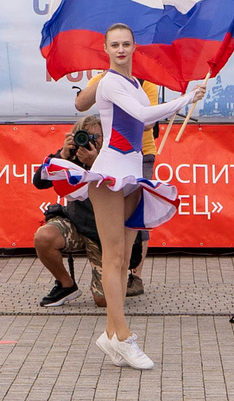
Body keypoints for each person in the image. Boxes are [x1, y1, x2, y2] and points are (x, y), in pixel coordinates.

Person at [67, 25, 200, 371]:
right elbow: (141, 117)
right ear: (106, 49)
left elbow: (144, 126)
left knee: (125, 259)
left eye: (126, 43)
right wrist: (184, 100)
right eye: (115, 44)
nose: (122, 49)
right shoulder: (108, 82)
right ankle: (124, 337)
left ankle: (111, 333)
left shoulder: (136, 84)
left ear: (134, 47)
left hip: (131, 173)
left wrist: (185, 98)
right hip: (110, 175)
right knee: (113, 258)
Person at [30, 119, 148, 307]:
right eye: (84, 136)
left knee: (103, 301)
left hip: (104, 235)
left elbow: (123, 189)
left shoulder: (117, 158)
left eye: (96, 137)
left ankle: (117, 278)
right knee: (43, 237)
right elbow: (39, 182)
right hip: (76, 224)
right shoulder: (71, 158)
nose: (91, 142)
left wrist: (94, 163)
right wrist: (62, 155)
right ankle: (66, 285)